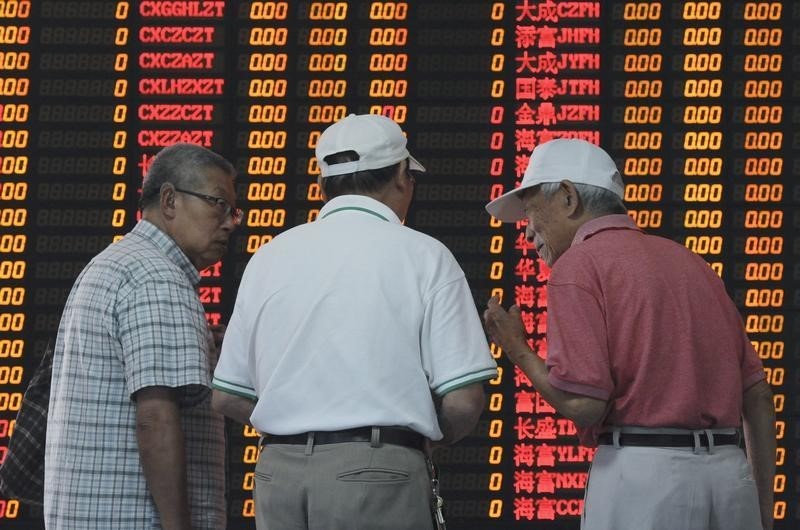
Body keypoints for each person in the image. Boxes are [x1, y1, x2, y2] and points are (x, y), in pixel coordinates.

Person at [211, 113, 497, 530]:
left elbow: (228, 396)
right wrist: (415, 444)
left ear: (323, 185)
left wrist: (301, 417)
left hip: (277, 475)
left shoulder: (269, 257)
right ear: (402, 176)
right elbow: (465, 400)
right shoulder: (424, 255)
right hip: (378, 471)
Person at [482, 138, 776, 530]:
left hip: (645, 479)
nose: (528, 232)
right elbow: (757, 395)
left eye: (531, 210)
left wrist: (517, 349)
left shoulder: (578, 266)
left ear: (568, 198)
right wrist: (760, 508)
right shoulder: (693, 263)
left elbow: (585, 404)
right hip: (730, 478)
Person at [44, 142, 241, 530]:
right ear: (170, 200)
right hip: (136, 518)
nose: (231, 221)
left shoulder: (114, 262)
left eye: (233, 210)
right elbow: (155, 418)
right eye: (218, 203)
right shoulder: (158, 278)